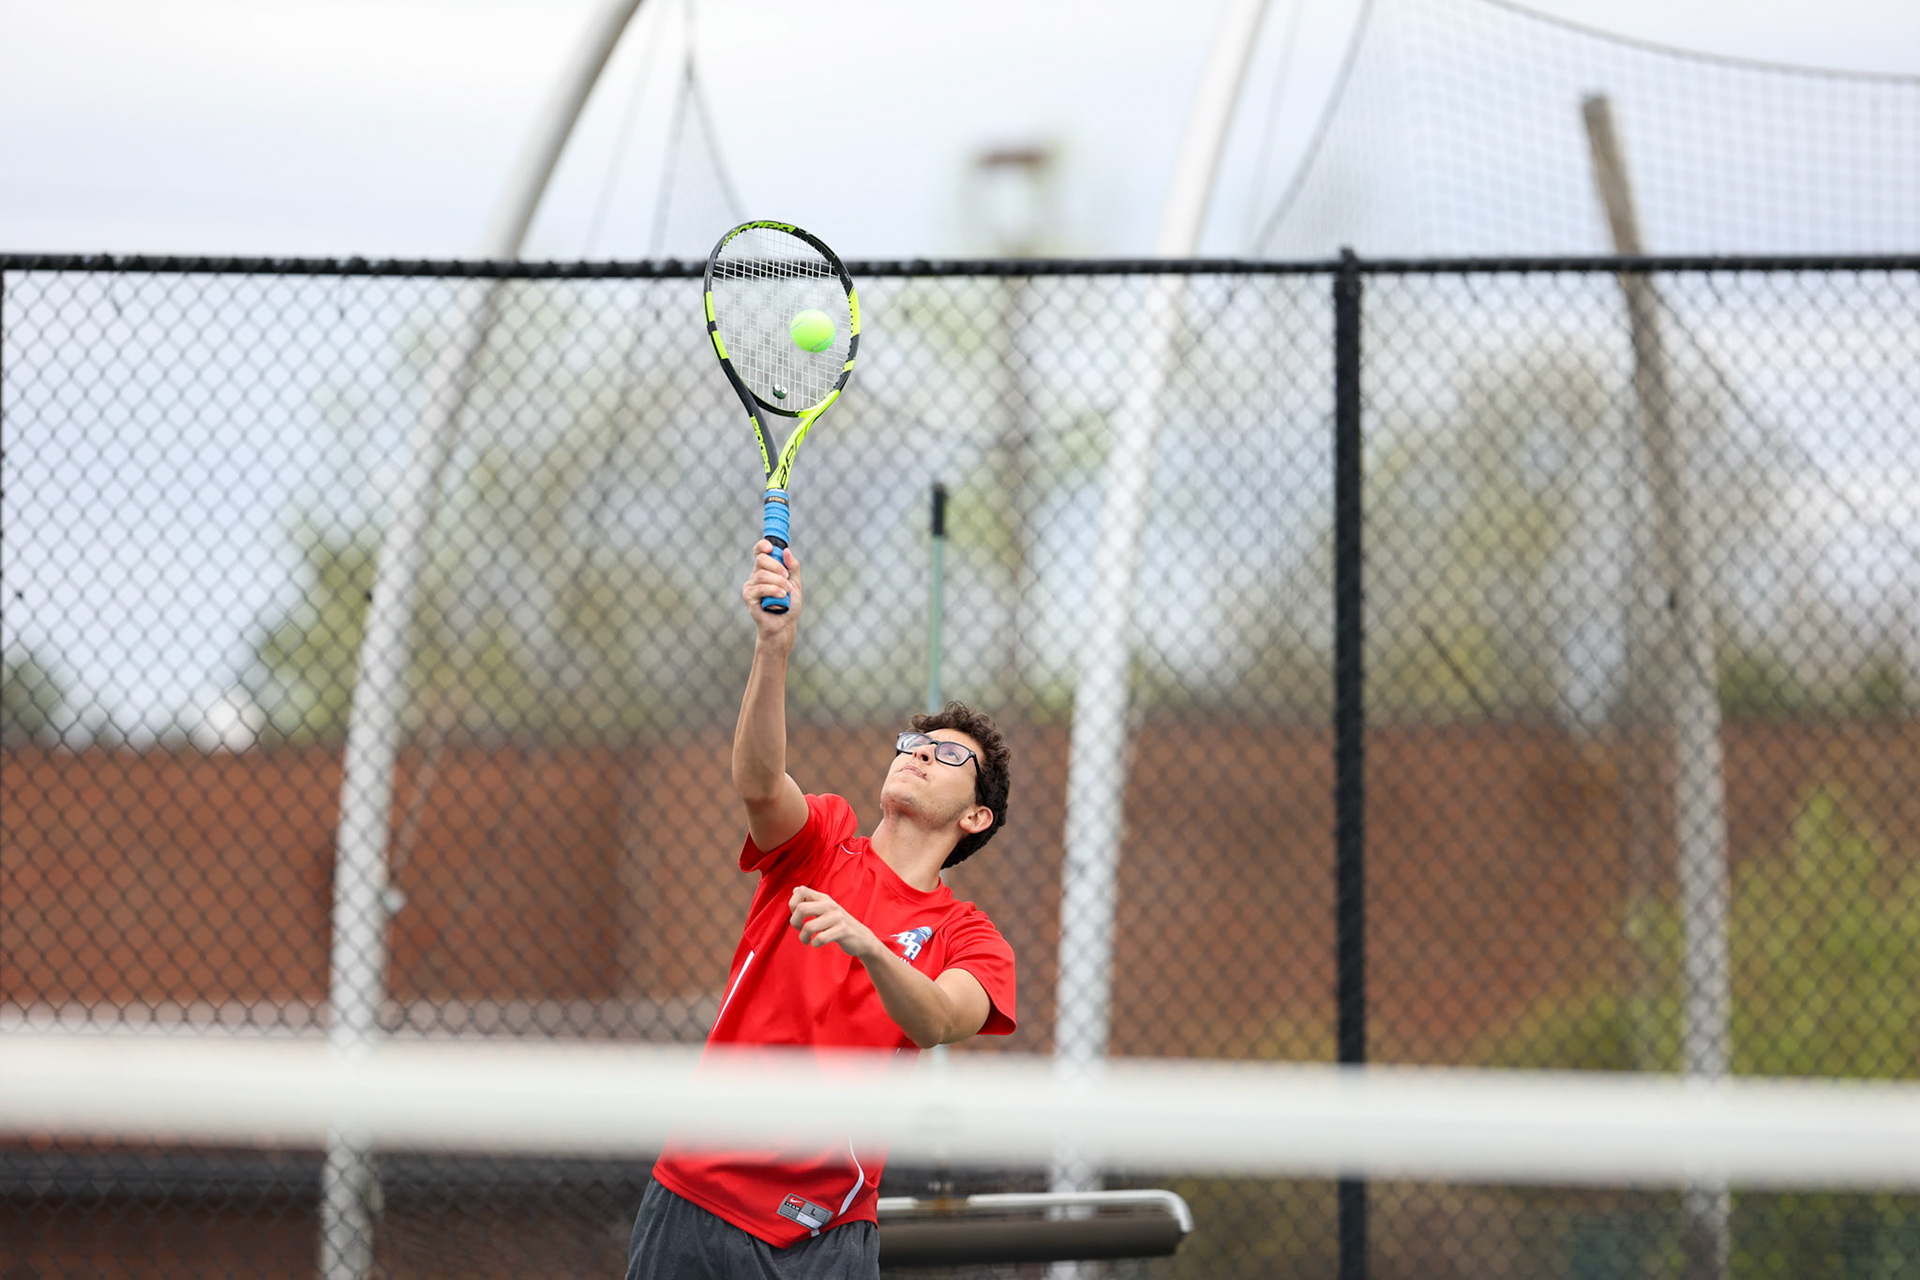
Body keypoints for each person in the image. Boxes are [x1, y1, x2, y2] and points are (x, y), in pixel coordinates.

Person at [625, 540, 1018, 1280]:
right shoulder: (825, 836)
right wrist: (774, 648)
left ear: (976, 819)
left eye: (949, 755)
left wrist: (871, 946)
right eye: (914, 742)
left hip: (827, 1237)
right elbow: (758, 780)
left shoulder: (972, 939)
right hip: (699, 1197)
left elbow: (936, 1019)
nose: (919, 753)